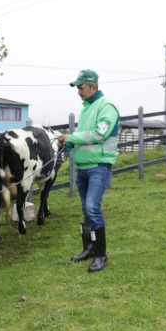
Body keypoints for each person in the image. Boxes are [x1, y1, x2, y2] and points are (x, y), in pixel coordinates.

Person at [58, 69, 120, 272]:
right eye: (78, 88)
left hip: (99, 168)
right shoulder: (86, 108)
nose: (79, 92)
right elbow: (85, 136)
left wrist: (73, 137)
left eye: (82, 88)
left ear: (94, 87)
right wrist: (71, 143)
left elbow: (99, 134)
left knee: (93, 207)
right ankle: (90, 249)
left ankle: (101, 255)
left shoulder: (107, 107)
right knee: (86, 210)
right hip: (83, 167)